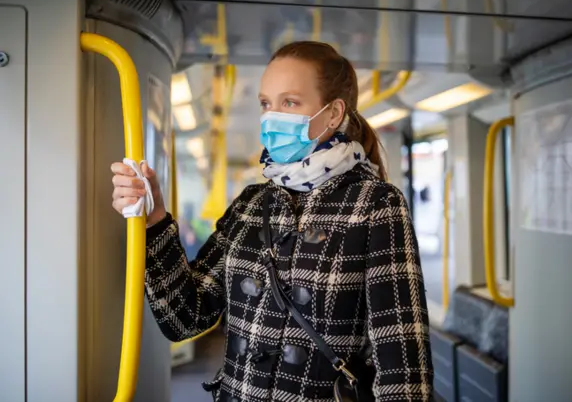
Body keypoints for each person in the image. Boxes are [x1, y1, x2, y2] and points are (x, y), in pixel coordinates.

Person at [110, 41, 433, 401]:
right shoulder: (252, 203)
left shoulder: (376, 205)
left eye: (289, 102)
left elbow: (404, 368)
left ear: (333, 113)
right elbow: (185, 318)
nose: (271, 117)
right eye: (266, 103)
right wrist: (155, 220)